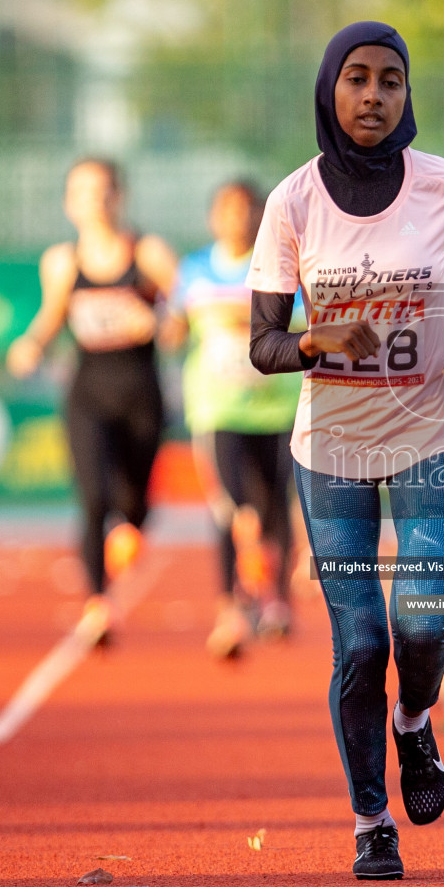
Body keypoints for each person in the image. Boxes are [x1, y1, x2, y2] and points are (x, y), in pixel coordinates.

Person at [247, 21, 444, 880]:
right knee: (360, 641)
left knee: (422, 623)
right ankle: (372, 819)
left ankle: (415, 723)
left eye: (392, 81)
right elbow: (262, 344)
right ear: (330, 89)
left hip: (430, 438)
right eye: (359, 79)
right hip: (329, 451)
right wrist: (319, 341)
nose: (374, 95)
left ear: (408, 95)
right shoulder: (292, 202)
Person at [6, 158, 178, 645]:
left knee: (134, 505)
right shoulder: (61, 261)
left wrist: (161, 325)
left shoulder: (148, 253)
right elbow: (52, 315)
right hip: (87, 394)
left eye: (102, 190)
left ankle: (131, 529)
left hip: (141, 393)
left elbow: (189, 310)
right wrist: (32, 344)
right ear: (68, 203)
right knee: (93, 498)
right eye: (81, 192)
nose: (93, 201)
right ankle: (98, 605)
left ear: (119, 197)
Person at [162, 180, 302, 658]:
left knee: (276, 505)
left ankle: (277, 601)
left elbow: (300, 324)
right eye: (228, 210)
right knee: (231, 508)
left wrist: (239, 317)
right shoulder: (195, 268)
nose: (238, 219)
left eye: (249, 211)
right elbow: (177, 323)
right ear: (212, 218)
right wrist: (170, 327)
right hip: (218, 407)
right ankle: (231, 608)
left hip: (279, 405)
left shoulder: (285, 266)